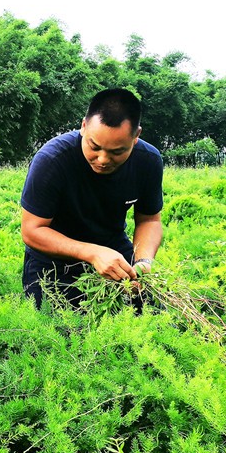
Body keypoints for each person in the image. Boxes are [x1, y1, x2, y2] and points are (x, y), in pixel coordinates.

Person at [20, 88, 163, 309]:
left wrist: (143, 262)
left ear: (136, 137)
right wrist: (92, 253)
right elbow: (32, 230)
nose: (103, 159)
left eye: (117, 152)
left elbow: (149, 220)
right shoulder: (52, 160)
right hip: (53, 260)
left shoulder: (148, 161)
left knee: (148, 320)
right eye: (94, 147)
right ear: (83, 127)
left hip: (114, 251)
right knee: (56, 330)